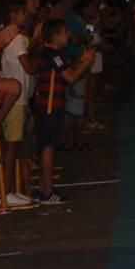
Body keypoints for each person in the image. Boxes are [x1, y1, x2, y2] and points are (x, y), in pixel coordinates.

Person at [34, 19, 95, 205]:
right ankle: (46, 192)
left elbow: (66, 71)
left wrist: (80, 61)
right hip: (49, 107)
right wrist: (86, 64)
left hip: (50, 106)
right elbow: (70, 77)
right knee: (48, 147)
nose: (68, 35)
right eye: (65, 32)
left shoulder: (54, 54)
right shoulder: (53, 55)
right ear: (55, 36)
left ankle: (45, 188)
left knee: (49, 146)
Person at [0, 0, 36, 208]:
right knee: (11, 147)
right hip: (16, 99)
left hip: (14, 98)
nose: (25, 15)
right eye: (22, 12)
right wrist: (41, 62)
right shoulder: (18, 39)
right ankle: (6, 191)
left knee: (11, 145)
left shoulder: (7, 36)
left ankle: (8, 189)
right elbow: (28, 67)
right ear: (13, 14)